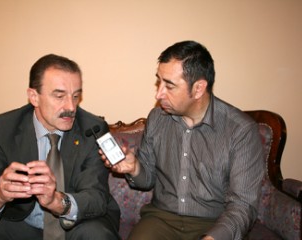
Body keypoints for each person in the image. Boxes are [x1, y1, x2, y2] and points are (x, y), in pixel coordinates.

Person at [101, 40, 264, 240]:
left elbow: (243, 205)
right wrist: (134, 168)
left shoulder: (241, 131)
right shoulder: (157, 118)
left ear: (198, 89)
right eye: (158, 81)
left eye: (169, 86)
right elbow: (147, 179)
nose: (158, 93)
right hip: (161, 218)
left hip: (215, 222)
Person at [0, 54, 120, 240]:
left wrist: (56, 201)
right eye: (59, 96)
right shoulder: (4, 128)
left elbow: (96, 198)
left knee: (96, 235)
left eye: (76, 96)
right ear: (34, 97)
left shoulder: (92, 128)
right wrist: (0, 195)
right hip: (22, 225)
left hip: (77, 225)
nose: (71, 106)